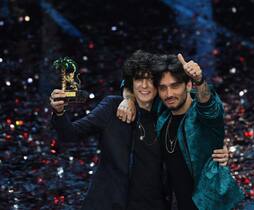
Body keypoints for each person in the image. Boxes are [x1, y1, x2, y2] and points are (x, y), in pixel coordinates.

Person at [119, 53, 244, 210]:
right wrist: (128, 98)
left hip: (207, 205)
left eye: (175, 85)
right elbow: (131, 79)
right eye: (163, 88)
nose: (169, 94)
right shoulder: (163, 110)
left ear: (189, 85)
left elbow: (209, 106)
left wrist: (199, 80)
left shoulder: (202, 116)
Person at [50, 50, 169, 210]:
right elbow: (70, 134)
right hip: (107, 202)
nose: (145, 85)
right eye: (139, 79)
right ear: (131, 83)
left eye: (150, 80)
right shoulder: (112, 107)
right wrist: (59, 113)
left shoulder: (166, 116)